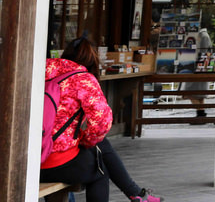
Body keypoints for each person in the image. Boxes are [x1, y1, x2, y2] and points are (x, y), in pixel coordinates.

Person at [41, 36, 162, 202]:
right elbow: (101, 123)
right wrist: (86, 141)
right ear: (92, 59)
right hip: (54, 161)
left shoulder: (42, 72)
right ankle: (137, 195)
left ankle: (137, 195)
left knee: (99, 147)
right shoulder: (83, 79)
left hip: (28, 157)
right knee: (100, 168)